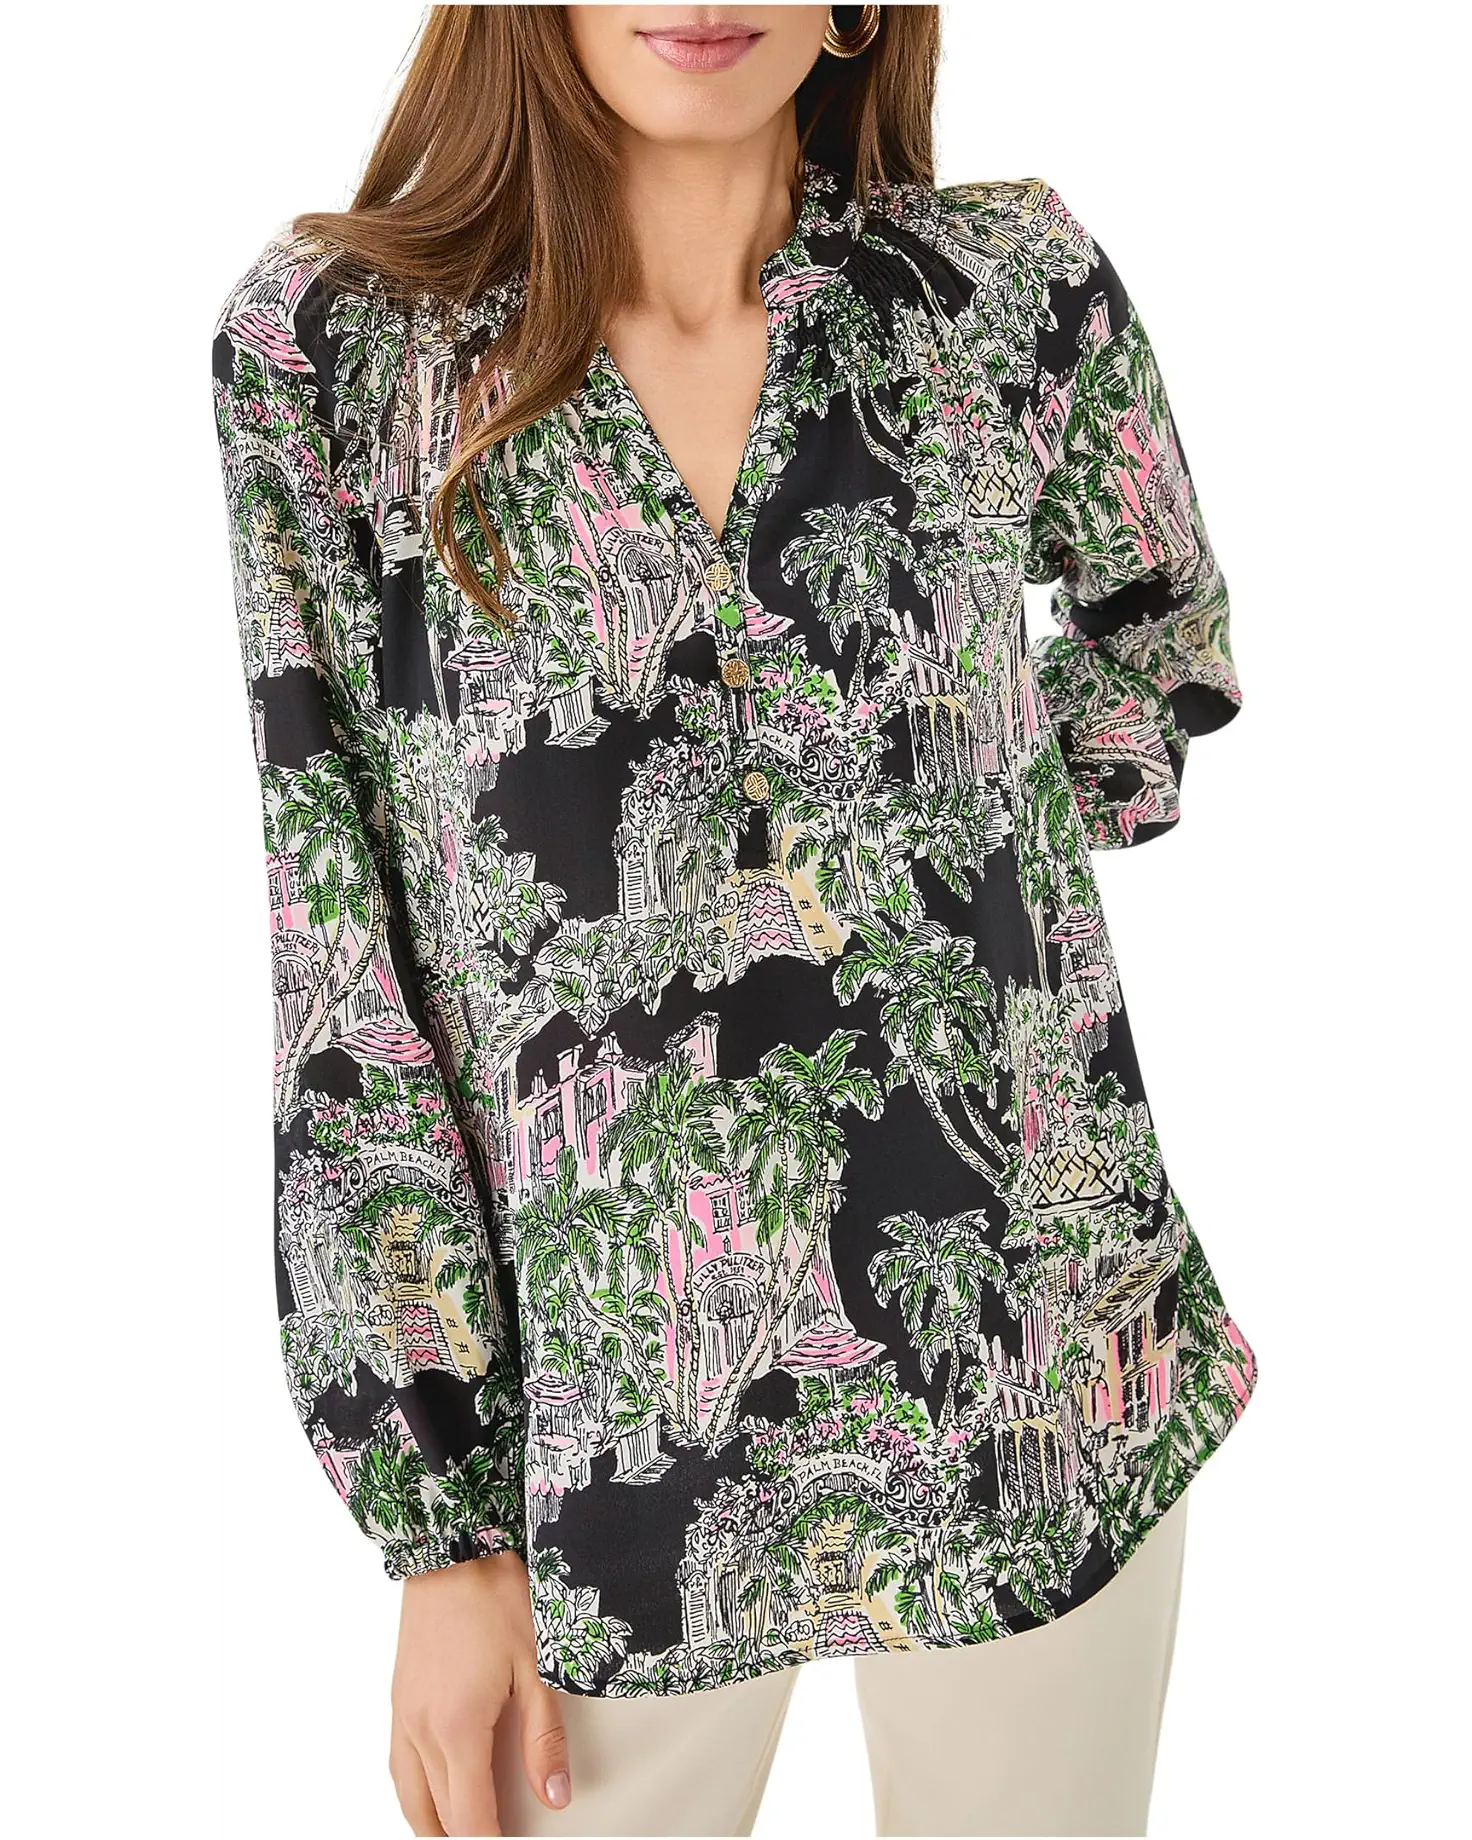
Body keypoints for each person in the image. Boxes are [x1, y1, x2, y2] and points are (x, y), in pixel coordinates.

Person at [211, 6, 1258, 1835]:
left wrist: (967, 852)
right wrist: (442, 1540)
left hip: (1037, 1362)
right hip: (606, 1432)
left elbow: (1158, 632)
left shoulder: (1003, 289)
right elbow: (339, 949)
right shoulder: (332, 356)